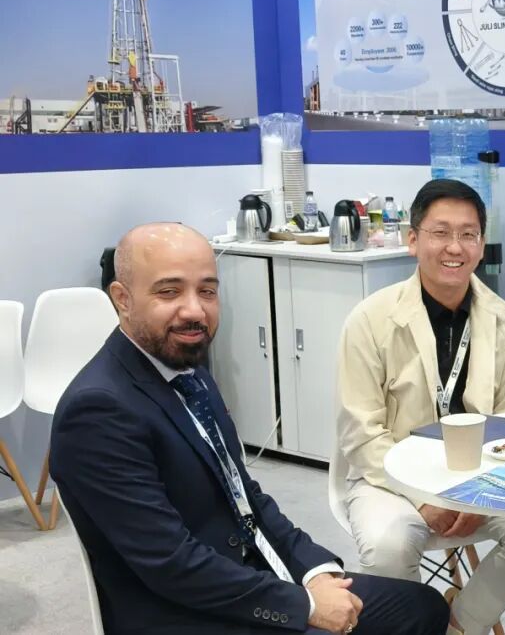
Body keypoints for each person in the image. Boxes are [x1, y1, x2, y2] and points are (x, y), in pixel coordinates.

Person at [51, 223, 449, 635]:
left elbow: (244, 495)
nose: (194, 310)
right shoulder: (98, 411)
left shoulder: (187, 372)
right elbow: (171, 564)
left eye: (207, 291)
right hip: (182, 611)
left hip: (247, 573)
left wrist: (315, 570)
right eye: (169, 292)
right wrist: (306, 605)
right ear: (122, 299)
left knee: (421, 607)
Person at [336, 179, 505, 635]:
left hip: (479, 478)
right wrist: (423, 497)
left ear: (480, 245)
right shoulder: (370, 320)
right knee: (389, 544)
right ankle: (408, 625)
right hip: (388, 481)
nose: (454, 247)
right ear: (413, 240)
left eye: (468, 234)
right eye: (440, 233)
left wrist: (482, 494)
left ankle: (458, 623)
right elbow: (361, 431)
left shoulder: (502, 320)